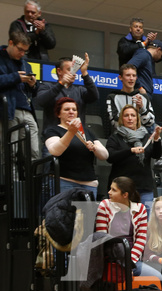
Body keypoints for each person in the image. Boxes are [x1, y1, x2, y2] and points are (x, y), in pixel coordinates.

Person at [95, 177, 161, 277]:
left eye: (114, 190)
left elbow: (141, 240)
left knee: (158, 277)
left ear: (125, 195)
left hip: (131, 260)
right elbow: (102, 238)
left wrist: (128, 263)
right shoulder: (104, 206)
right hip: (111, 260)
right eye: (110, 189)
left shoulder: (140, 209)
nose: (109, 192)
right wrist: (122, 265)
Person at [44, 97, 108, 198]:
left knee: (87, 214)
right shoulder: (53, 130)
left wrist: (94, 147)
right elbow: (55, 151)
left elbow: (104, 155)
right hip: (64, 181)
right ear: (58, 114)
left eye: (74, 110)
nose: (71, 112)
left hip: (89, 184)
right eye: (66, 109)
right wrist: (70, 132)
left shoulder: (87, 132)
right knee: (64, 213)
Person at [106, 105, 162, 211]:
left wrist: (156, 140)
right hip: (121, 189)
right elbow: (110, 157)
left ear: (137, 118)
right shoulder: (115, 137)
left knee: (143, 223)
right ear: (121, 119)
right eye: (126, 115)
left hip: (144, 186)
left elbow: (156, 155)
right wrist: (130, 151)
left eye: (133, 115)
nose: (130, 118)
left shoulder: (145, 136)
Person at [0, 31, 40, 162]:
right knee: (10, 151)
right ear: (11, 43)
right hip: (9, 110)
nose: (22, 54)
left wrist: (33, 85)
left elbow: (34, 91)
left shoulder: (25, 63)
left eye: (25, 51)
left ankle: (31, 181)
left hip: (27, 109)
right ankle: (11, 182)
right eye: (20, 49)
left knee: (33, 151)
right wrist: (16, 77)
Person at [35, 54, 98, 135]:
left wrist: (85, 73)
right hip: (54, 137)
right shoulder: (47, 86)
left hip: (76, 137)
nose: (74, 73)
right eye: (69, 69)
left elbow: (95, 96)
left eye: (75, 70)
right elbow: (41, 101)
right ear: (59, 71)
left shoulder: (80, 90)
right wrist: (61, 84)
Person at [106, 64, 155, 133]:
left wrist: (142, 108)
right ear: (120, 77)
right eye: (128, 75)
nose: (131, 78)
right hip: (120, 138)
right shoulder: (112, 97)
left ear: (136, 78)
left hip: (141, 138)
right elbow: (114, 123)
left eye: (134, 75)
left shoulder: (144, 97)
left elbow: (150, 122)